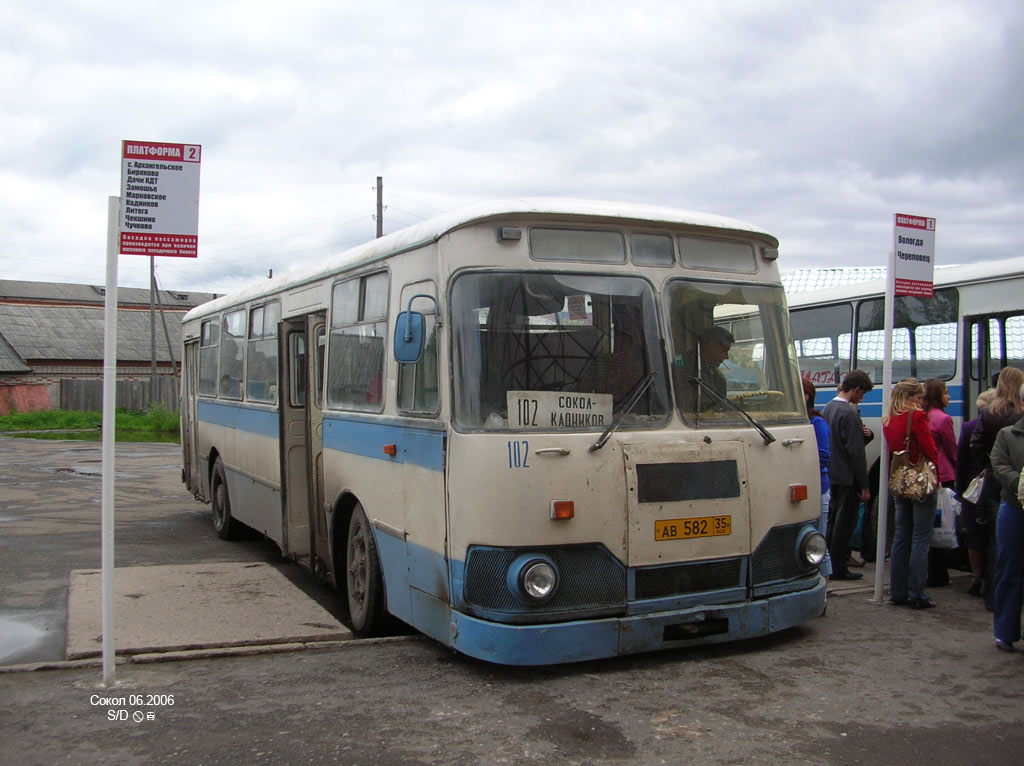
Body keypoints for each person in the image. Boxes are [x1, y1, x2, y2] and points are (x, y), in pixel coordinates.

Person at [968, 367, 1024, 609]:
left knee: (996, 540)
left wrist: (988, 467)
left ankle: (993, 597)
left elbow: (975, 445)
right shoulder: (1019, 413)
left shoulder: (989, 411)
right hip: (1017, 482)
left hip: (993, 481)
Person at [884, 378, 941, 608]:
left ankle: (897, 592)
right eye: (918, 398)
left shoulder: (888, 418)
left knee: (901, 537)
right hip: (919, 480)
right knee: (920, 538)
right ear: (909, 398)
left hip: (900, 480)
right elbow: (929, 448)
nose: (921, 403)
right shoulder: (916, 417)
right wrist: (937, 475)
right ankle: (917, 593)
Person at [822, 370, 874, 581]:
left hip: (832, 473)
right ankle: (839, 566)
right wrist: (864, 483)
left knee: (832, 522)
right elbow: (855, 451)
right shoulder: (850, 413)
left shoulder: (828, 408)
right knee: (845, 524)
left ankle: (829, 563)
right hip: (847, 476)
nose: (861, 398)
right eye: (862, 394)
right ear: (856, 389)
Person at [989, 381, 1024, 652]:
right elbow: (999, 465)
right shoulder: (1008, 435)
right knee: (1010, 569)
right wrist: (1020, 485)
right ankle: (1005, 631)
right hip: (1014, 509)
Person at [956, 388, 997, 596]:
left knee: (974, 533)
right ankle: (992, 576)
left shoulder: (968, 427)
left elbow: (961, 460)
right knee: (993, 533)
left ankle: (976, 575)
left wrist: (960, 489)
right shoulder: (1007, 424)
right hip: (992, 483)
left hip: (973, 487)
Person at [923, 378, 957, 587]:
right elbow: (952, 450)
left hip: (927, 475)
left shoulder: (922, 416)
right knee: (942, 525)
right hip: (944, 475)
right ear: (938, 396)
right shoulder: (943, 419)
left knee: (928, 527)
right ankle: (939, 574)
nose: (949, 396)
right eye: (945, 392)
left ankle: (933, 572)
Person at [803, 377, 832, 583]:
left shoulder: (817, 422)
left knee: (817, 541)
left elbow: (823, 456)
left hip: (818, 488)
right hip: (802, 489)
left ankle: (824, 591)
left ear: (805, 397)